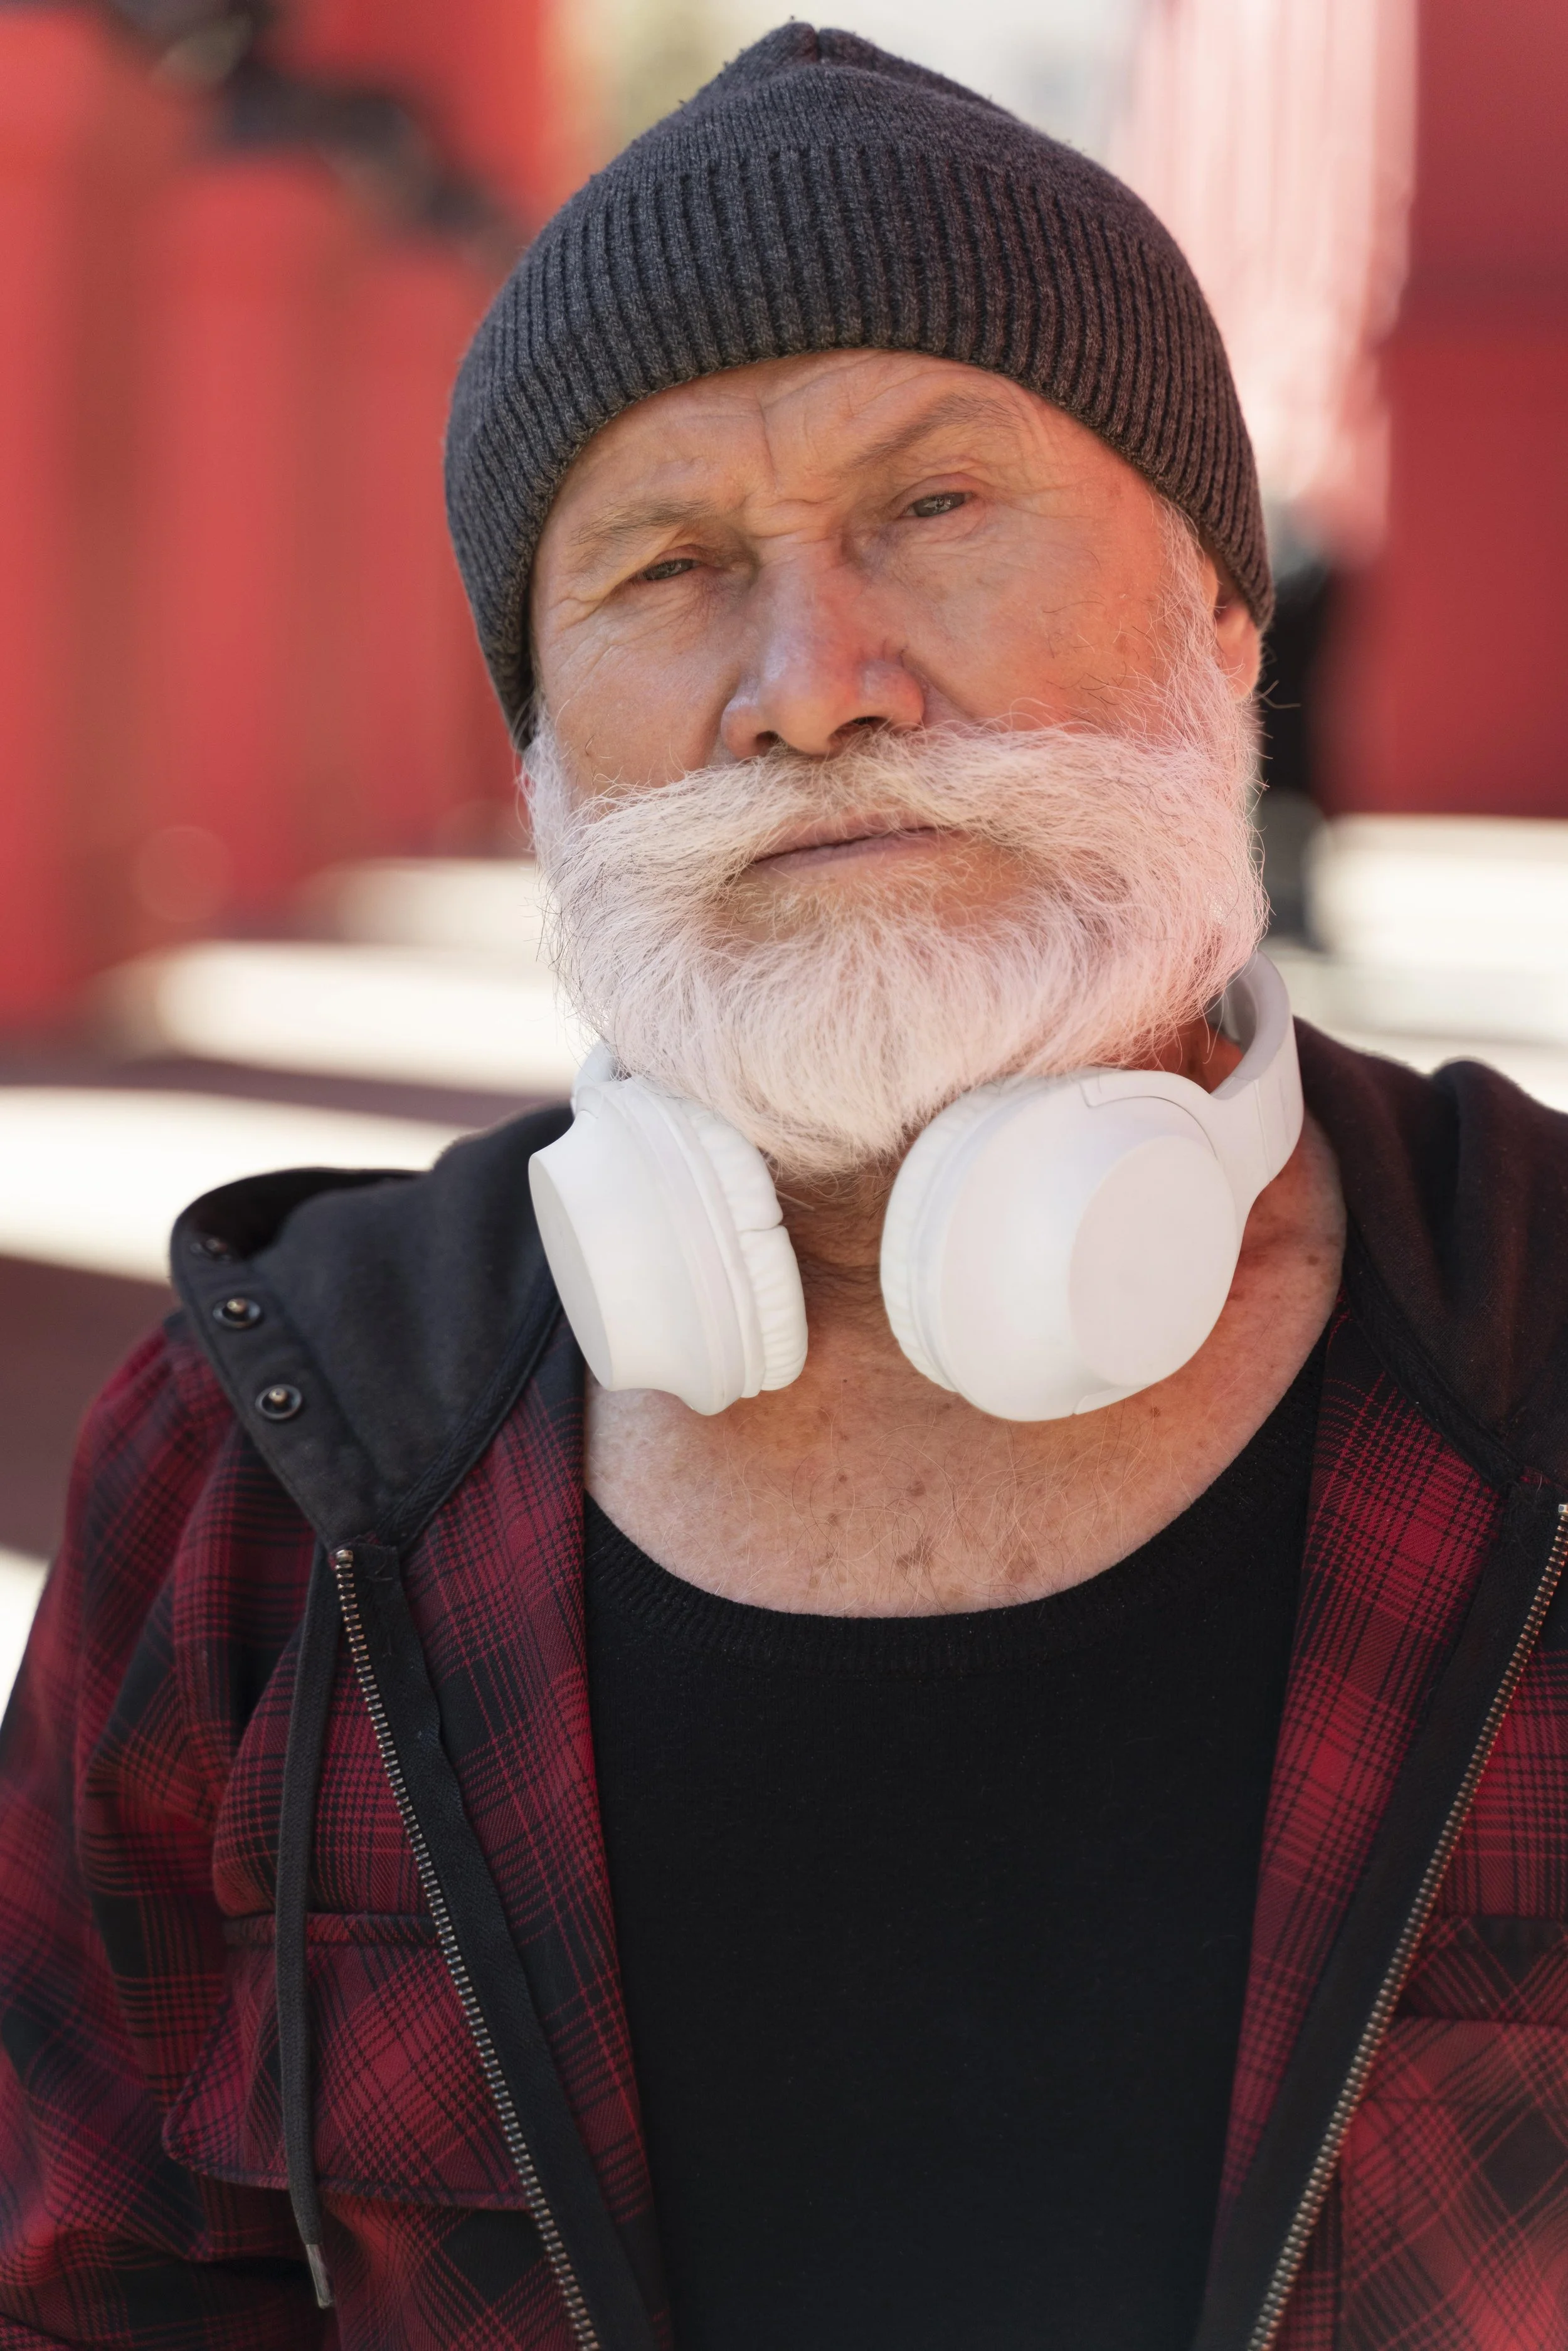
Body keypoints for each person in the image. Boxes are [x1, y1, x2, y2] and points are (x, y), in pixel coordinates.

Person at [3, 28, 1567, 2351]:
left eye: (935, 507)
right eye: (665, 564)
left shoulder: (1539, 1349)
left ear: (1222, 620)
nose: (806, 685)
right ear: (540, 742)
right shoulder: (263, 1462)